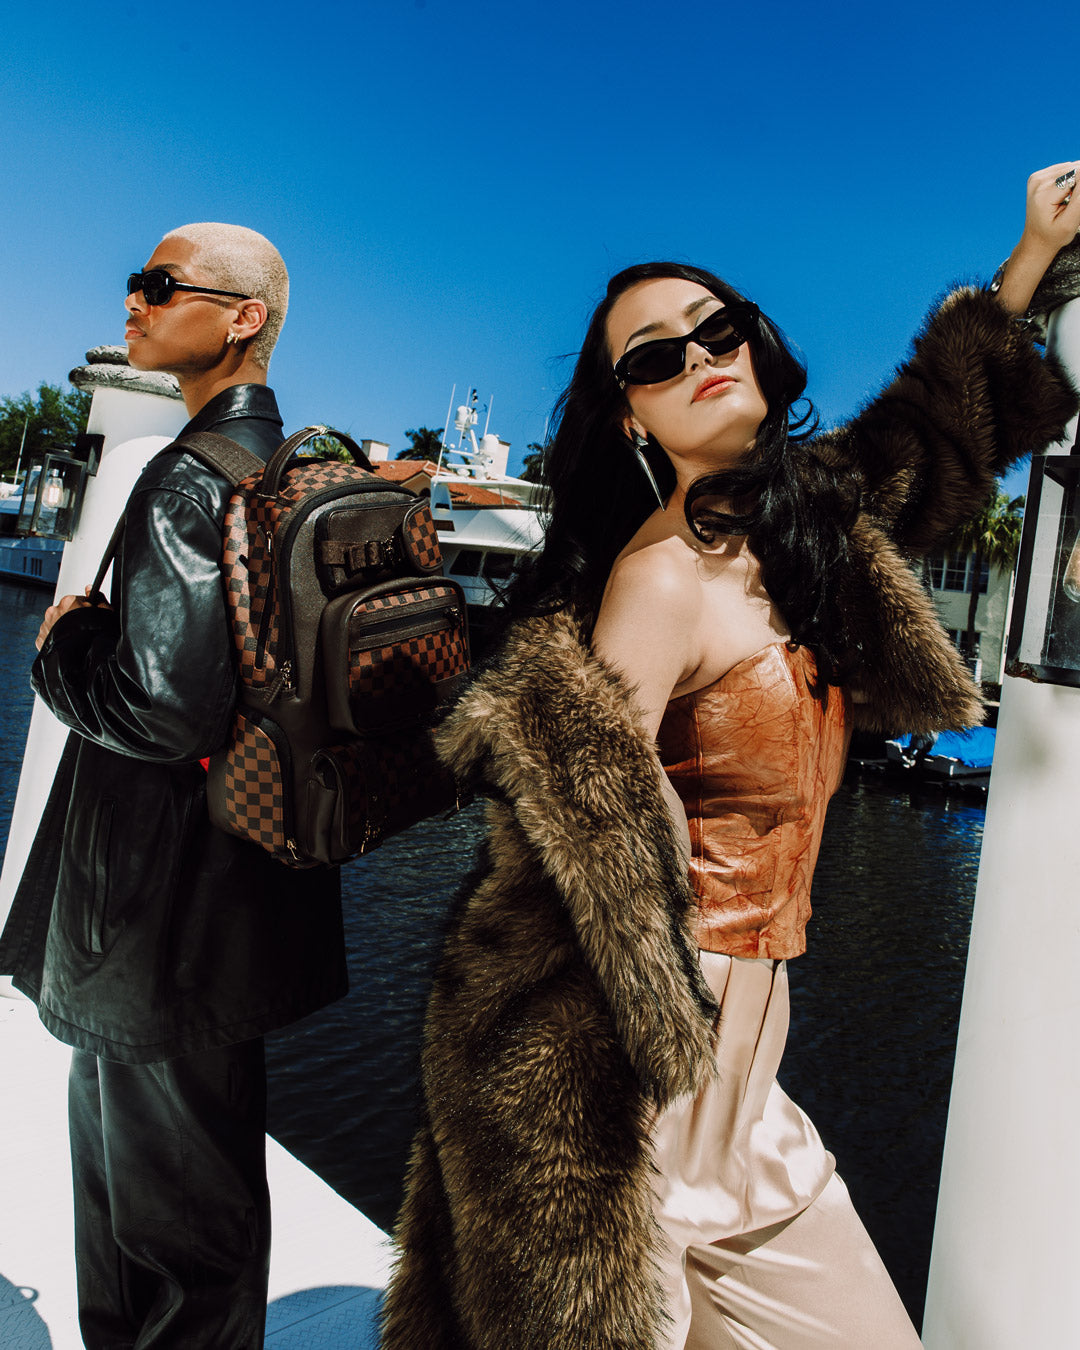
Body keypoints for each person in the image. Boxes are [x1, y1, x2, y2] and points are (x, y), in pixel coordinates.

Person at [381, 164, 1080, 1350]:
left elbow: (928, 434)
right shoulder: (659, 581)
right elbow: (576, 840)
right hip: (629, 1084)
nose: (700, 357)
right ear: (629, 417)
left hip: (751, 1085)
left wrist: (1030, 257)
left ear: (756, 343)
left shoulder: (806, 523)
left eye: (718, 329)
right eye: (656, 358)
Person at [0, 224, 347, 1348]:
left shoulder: (191, 477)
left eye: (159, 285)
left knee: (164, 1207)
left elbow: (160, 708)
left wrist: (62, 646)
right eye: (134, 285)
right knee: (177, 1187)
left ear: (244, 319)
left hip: (155, 909)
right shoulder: (280, 469)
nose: (133, 303)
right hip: (237, 886)